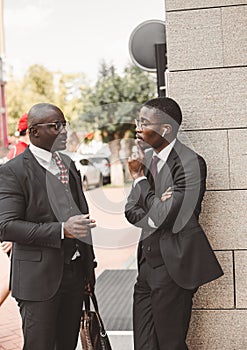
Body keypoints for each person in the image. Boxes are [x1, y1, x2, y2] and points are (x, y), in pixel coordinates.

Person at [125, 97, 223, 350]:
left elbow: (166, 217)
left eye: (144, 122)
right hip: (146, 268)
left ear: (165, 129)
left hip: (173, 269)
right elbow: (130, 210)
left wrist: (138, 180)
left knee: (170, 344)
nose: (138, 127)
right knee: (144, 345)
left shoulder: (190, 164)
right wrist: (156, 203)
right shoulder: (147, 161)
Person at [0, 103, 97, 350]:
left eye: (64, 124)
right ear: (34, 132)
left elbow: (81, 219)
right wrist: (61, 229)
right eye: (56, 126)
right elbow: (6, 226)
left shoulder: (68, 164)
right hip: (37, 281)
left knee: (67, 345)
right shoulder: (13, 171)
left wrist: (87, 270)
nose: (63, 131)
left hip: (74, 276)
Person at [1, 113, 29, 255]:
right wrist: (12, 236)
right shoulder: (21, 154)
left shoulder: (17, 150)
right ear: (30, 131)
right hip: (16, 233)